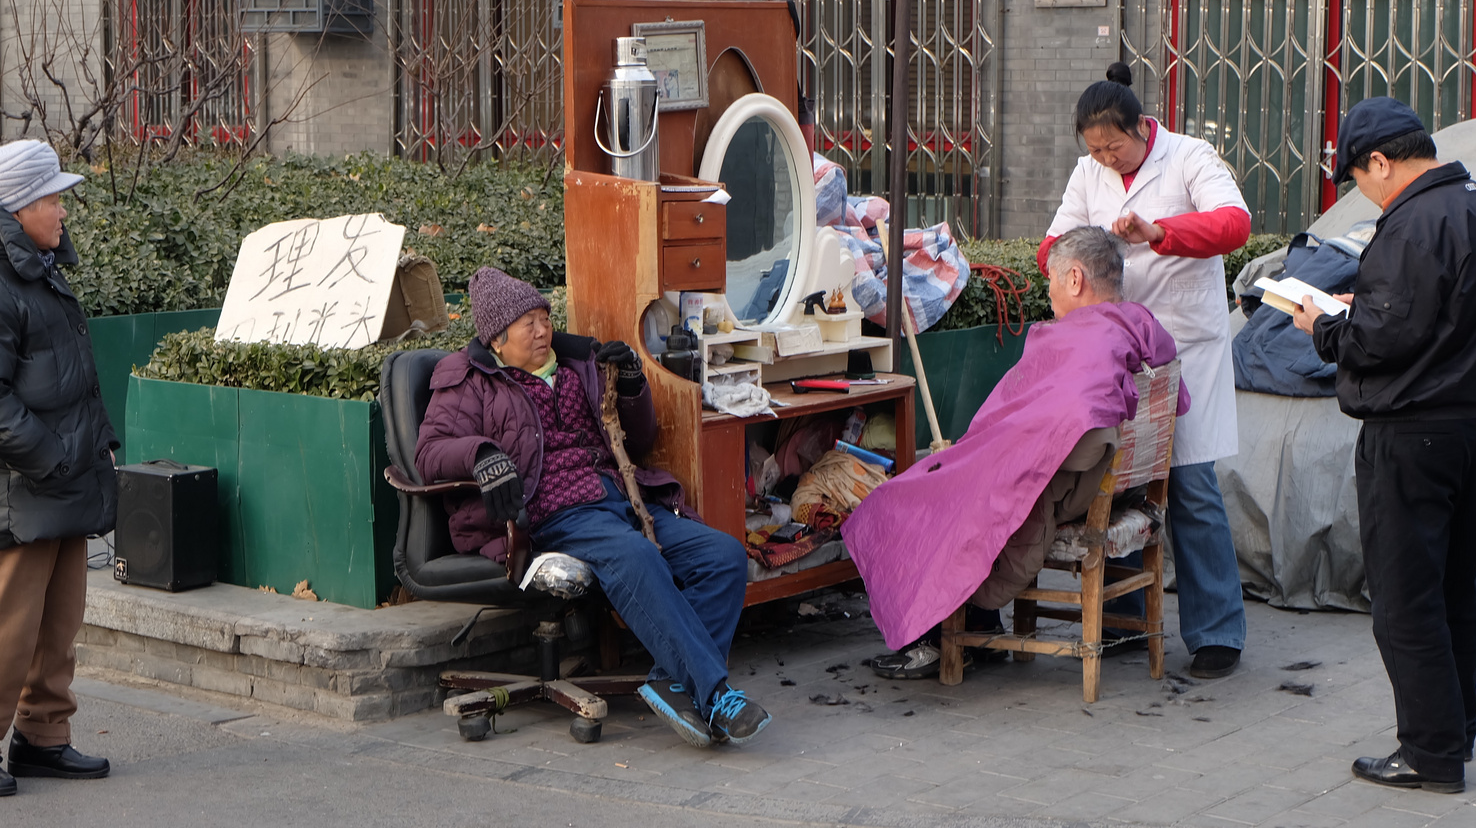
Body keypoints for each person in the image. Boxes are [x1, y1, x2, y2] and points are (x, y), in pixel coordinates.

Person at [415, 267, 769, 749]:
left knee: (723, 556)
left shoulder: (579, 364)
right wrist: (481, 452)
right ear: (497, 340)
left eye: (544, 317)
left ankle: (672, 681)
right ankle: (715, 694)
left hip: (621, 496)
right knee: (636, 557)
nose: (543, 331)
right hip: (553, 512)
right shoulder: (470, 380)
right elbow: (429, 453)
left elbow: (639, 440)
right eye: (528, 324)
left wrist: (630, 385)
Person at [1293, 97, 1476, 794]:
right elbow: (1440, 319)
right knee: (1456, 586)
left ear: (1382, 161)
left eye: (1360, 177)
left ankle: (1429, 751)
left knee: (1404, 599)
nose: (1364, 190)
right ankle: (1456, 728)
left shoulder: (1410, 225)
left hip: (1411, 433)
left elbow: (1382, 339)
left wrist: (1324, 326)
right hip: (1474, 426)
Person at [847, 227, 1187, 677]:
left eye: (1051, 280)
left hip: (1063, 479)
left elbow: (1054, 427)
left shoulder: (1081, 341)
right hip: (1106, 484)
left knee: (908, 498)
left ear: (1075, 280)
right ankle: (978, 624)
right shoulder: (1139, 325)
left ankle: (933, 637)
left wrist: (985, 455)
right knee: (946, 479)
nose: (1047, 293)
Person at [1038, 65, 1250, 680]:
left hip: (1183, 345)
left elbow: (1233, 225)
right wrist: (1091, 247)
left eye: (1114, 146)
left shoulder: (1190, 157)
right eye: (1095, 149)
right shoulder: (1089, 172)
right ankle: (1126, 621)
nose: (1105, 158)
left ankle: (1217, 633)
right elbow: (1053, 245)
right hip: (1110, 349)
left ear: (1142, 128)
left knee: (1190, 485)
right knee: (1118, 479)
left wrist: (1157, 232)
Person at [0, 139, 117, 797]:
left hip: (66, 477)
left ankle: (42, 739)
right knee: (9, 630)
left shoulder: (39, 269)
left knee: (58, 622)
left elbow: (68, 379)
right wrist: (51, 459)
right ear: (17, 208)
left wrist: (92, 448)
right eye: (51, 199)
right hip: (26, 486)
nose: (62, 211)